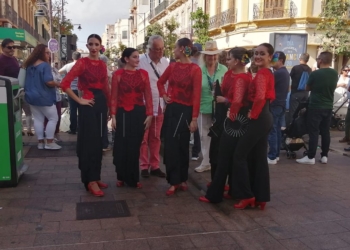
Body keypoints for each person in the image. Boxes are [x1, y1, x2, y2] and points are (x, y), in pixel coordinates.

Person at [199, 47, 252, 203]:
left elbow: (237, 101)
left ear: (236, 61)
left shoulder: (242, 78)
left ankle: (215, 194)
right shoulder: (230, 73)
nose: (226, 61)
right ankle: (228, 188)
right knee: (222, 155)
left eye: (229, 59)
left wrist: (225, 101)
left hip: (233, 120)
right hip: (225, 117)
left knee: (224, 157)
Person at [60, 34, 110, 196]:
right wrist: (79, 100)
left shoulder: (102, 65)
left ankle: (96, 176)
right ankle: (90, 180)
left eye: (96, 44)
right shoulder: (82, 63)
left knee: (99, 142)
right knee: (90, 143)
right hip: (88, 105)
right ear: (87, 46)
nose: (94, 47)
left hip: (101, 104)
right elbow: (65, 84)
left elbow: (105, 87)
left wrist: (109, 107)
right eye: (91, 44)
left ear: (100, 46)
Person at [231, 43, 275, 210]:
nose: (257, 56)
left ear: (270, 57)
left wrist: (253, 114)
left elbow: (260, 97)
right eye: (256, 53)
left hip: (260, 117)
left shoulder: (263, 73)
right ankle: (260, 196)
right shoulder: (265, 72)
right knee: (258, 157)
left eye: (262, 54)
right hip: (265, 117)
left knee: (239, 155)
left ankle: (247, 195)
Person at [157, 38, 202, 196]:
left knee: (182, 146)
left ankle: (182, 178)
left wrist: (194, 118)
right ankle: (174, 180)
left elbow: (196, 95)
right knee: (171, 146)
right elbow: (160, 82)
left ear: (182, 49)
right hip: (172, 110)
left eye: (175, 48)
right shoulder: (172, 66)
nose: (173, 50)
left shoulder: (195, 69)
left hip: (187, 111)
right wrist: (164, 95)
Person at [111, 48, 153, 189]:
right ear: (126, 59)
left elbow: (148, 95)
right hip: (122, 113)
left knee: (135, 146)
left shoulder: (143, 74)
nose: (137, 59)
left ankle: (133, 177)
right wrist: (113, 116)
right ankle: (121, 176)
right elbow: (114, 97)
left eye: (138, 57)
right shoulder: (117, 74)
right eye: (134, 57)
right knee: (122, 145)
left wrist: (150, 114)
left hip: (138, 114)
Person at [296, 52, 338, 165]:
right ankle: (324, 156)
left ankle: (311, 156)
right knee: (325, 131)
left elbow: (307, 87)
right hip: (328, 106)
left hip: (315, 106)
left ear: (321, 60)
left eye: (318, 59)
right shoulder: (335, 73)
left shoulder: (315, 74)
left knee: (313, 132)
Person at [194, 41, 227, 173]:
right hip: (203, 107)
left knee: (219, 135)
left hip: (219, 108)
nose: (212, 58)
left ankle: (217, 161)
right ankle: (206, 161)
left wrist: (220, 89)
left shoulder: (224, 69)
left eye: (214, 55)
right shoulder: (198, 70)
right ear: (204, 56)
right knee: (204, 136)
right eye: (209, 55)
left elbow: (229, 88)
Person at [138, 35, 168, 178]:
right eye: (156, 49)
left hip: (160, 105)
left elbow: (167, 83)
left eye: (162, 49)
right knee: (143, 137)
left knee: (156, 137)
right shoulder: (140, 62)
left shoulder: (165, 62)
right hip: (143, 105)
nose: (160, 52)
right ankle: (144, 166)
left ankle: (155, 165)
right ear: (149, 49)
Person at [24, 44, 61, 150]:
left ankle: (40, 143)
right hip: (44, 97)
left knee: (38, 119)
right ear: (41, 53)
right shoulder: (45, 65)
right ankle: (49, 142)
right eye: (47, 52)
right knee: (53, 118)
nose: (49, 55)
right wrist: (58, 84)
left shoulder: (29, 65)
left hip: (31, 96)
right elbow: (48, 82)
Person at [0, 39, 34, 136]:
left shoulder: (14, 59)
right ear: (3, 48)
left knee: (27, 110)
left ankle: (29, 130)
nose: (12, 49)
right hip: (9, 92)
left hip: (20, 89)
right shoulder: (1, 60)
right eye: (9, 47)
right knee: (16, 112)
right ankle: (20, 130)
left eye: (13, 47)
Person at [267, 52, 290, 165]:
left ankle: (272, 156)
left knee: (273, 130)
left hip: (275, 104)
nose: (272, 60)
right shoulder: (284, 72)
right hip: (281, 104)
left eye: (274, 58)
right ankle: (275, 155)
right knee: (277, 130)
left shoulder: (278, 73)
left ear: (280, 60)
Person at [59, 51, 81, 135]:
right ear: (80, 58)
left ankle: (73, 129)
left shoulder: (68, 66)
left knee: (72, 110)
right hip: (80, 91)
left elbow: (59, 72)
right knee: (81, 110)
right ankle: (80, 128)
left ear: (72, 58)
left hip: (71, 90)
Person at [288, 53, 312, 125]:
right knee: (302, 112)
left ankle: (291, 128)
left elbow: (290, 78)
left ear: (300, 59)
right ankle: (300, 128)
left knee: (292, 112)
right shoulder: (309, 69)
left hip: (295, 93)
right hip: (305, 93)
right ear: (307, 60)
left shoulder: (296, 68)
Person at [43, 62, 62, 142]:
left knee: (57, 116)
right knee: (50, 118)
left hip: (56, 96)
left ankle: (54, 134)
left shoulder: (54, 69)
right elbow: (49, 82)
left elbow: (60, 79)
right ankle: (48, 138)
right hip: (46, 97)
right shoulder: (40, 69)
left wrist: (58, 83)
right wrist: (56, 83)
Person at [190, 43, 202, 161]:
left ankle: (196, 151)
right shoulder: (197, 63)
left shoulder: (199, 63)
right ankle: (196, 151)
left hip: (199, 98)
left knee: (197, 126)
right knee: (197, 126)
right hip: (194, 97)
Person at [99, 54, 112, 152]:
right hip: (104, 98)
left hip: (96, 98)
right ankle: (104, 143)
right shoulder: (106, 71)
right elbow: (109, 87)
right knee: (103, 122)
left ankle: (100, 143)